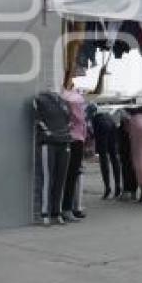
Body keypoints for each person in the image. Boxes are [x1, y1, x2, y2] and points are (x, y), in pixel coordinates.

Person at [61, 86, 87, 222]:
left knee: (67, 176)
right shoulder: (75, 101)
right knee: (72, 176)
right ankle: (68, 208)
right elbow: (81, 120)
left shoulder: (64, 97)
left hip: (67, 139)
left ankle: (68, 207)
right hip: (76, 140)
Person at [89, 104, 121, 200]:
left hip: (100, 125)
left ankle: (107, 188)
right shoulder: (105, 112)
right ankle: (118, 185)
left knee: (104, 159)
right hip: (111, 123)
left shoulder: (89, 112)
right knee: (114, 157)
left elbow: (90, 130)